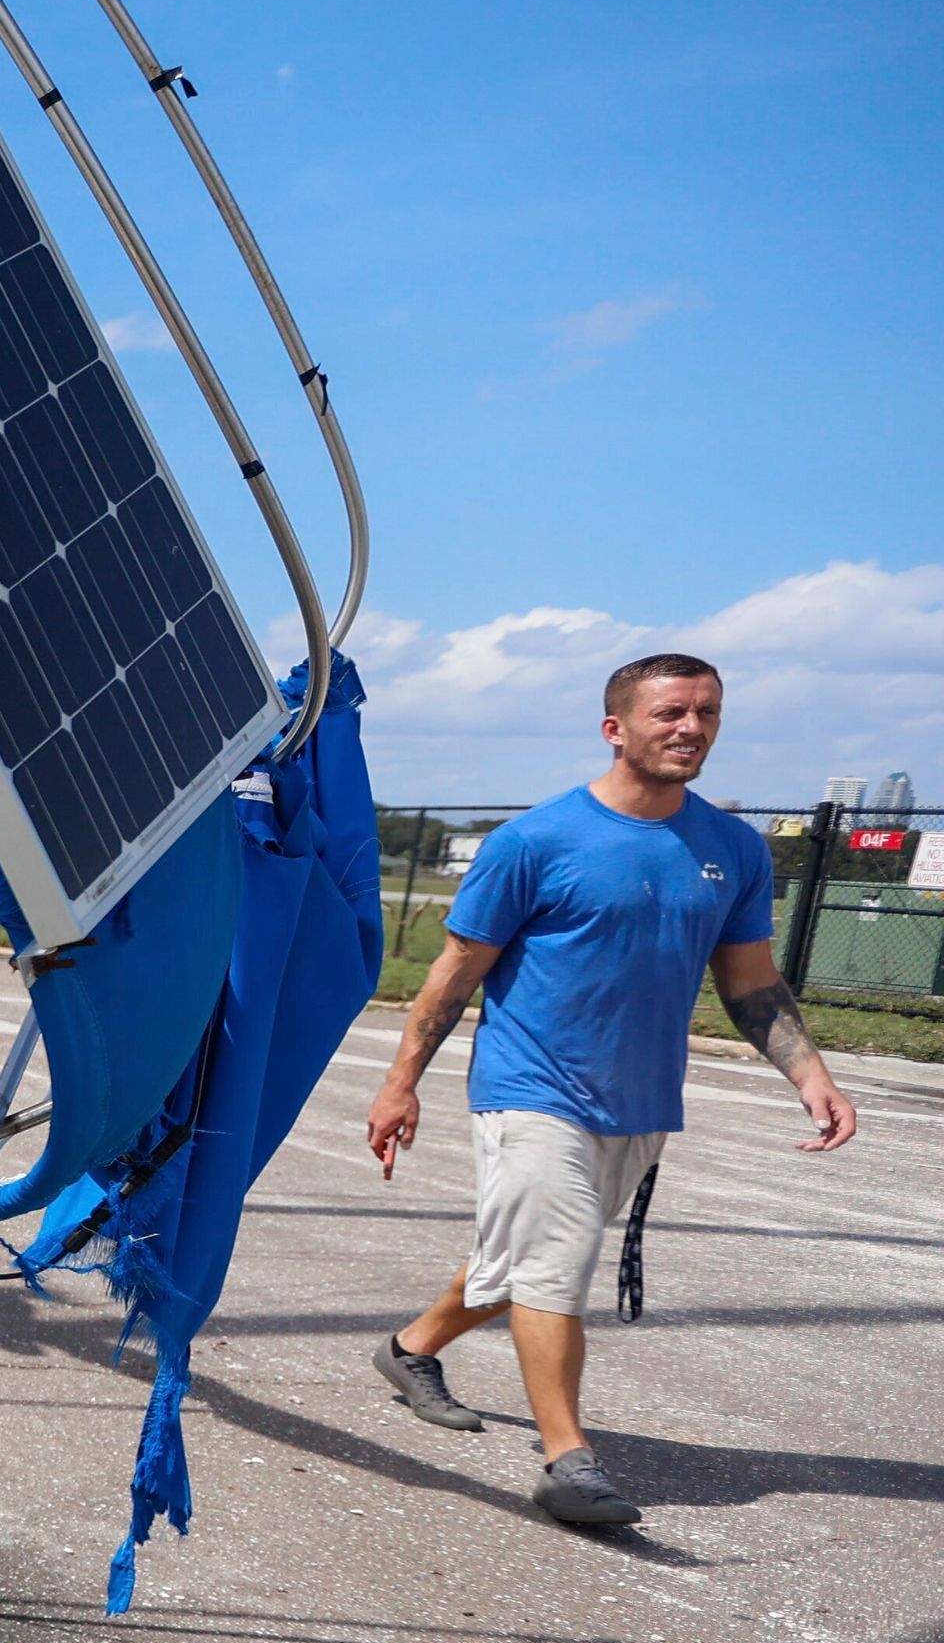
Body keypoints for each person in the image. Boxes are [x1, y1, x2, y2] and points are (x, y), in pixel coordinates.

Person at [362, 654, 856, 1526]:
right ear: (615, 728)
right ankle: (568, 1459)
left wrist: (811, 1074)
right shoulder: (534, 841)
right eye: (671, 712)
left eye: (707, 712)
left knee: (519, 1261)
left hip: (640, 1100)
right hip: (530, 1088)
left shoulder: (734, 849)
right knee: (556, 1265)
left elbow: (750, 981)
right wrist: (401, 1084)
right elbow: (453, 975)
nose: (691, 728)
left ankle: (409, 1349)